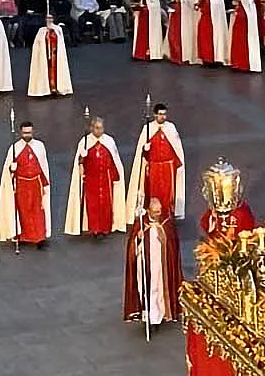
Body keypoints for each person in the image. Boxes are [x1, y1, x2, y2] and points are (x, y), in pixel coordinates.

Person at [123, 196, 182, 328]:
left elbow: (173, 242)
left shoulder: (166, 222)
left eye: (159, 211)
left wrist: (163, 234)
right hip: (145, 262)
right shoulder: (141, 223)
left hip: (161, 264)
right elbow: (132, 245)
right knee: (146, 289)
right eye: (155, 212)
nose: (158, 214)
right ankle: (147, 314)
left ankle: (158, 316)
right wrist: (138, 238)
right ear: (148, 211)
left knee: (158, 288)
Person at [64, 116, 127, 238]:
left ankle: (105, 228)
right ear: (92, 128)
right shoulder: (85, 142)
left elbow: (115, 160)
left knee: (105, 204)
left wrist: (116, 175)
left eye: (101, 128)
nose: (100, 131)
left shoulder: (109, 141)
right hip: (92, 179)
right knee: (93, 205)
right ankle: (95, 229)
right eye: (97, 128)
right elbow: (80, 163)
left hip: (106, 178)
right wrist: (82, 159)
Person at [0, 122, 50, 248]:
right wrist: (11, 168)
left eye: (29, 132)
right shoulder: (14, 148)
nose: (27, 135)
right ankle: (24, 235)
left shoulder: (39, 146)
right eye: (25, 133)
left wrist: (45, 185)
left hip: (36, 183)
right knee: (23, 210)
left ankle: (39, 237)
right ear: (20, 133)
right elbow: (7, 170)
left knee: (38, 210)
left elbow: (44, 166)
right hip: (22, 184)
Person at [127, 105, 186, 220]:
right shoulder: (148, 129)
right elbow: (142, 154)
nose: (162, 117)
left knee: (167, 193)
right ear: (155, 115)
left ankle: (167, 214)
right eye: (160, 114)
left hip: (168, 167)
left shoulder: (171, 128)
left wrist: (177, 165)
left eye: (164, 114)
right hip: (154, 166)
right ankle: (154, 213)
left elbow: (177, 148)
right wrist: (145, 149)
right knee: (154, 191)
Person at [26, 15, 73, 98]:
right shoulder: (41, 31)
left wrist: (52, 32)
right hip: (45, 55)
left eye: (51, 18)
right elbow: (38, 44)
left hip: (55, 54)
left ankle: (55, 87)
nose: (49, 20)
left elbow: (59, 40)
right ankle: (45, 87)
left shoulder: (58, 29)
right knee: (46, 70)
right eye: (47, 18)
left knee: (55, 70)